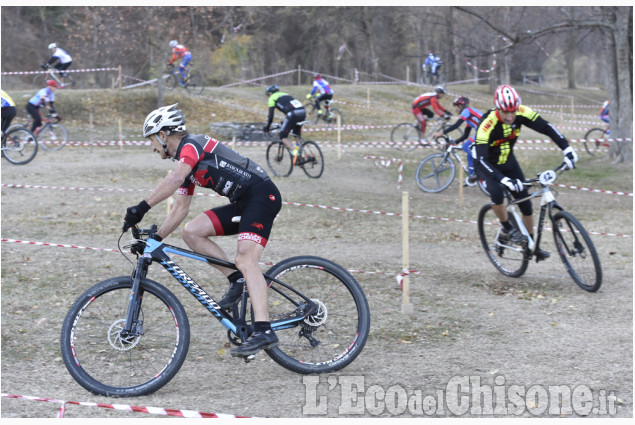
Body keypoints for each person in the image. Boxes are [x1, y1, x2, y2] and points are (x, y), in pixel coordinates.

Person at [122, 104, 282, 358]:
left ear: (163, 135)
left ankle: (264, 330)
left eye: (151, 139)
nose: (151, 147)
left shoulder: (192, 145)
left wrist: (142, 207)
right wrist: (156, 238)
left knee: (246, 259)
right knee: (192, 231)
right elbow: (179, 210)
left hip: (262, 195)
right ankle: (237, 280)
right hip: (242, 202)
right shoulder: (185, 163)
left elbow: (174, 180)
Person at [473, 85, 578, 261]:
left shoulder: (522, 112)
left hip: (508, 160)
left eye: (512, 112)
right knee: (497, 193)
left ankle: (531, 245)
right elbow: (482, 159)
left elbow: (547, 128)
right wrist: (503, 179)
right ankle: (506, 227)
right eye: (505, 112)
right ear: (497, 108)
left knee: (526, 205)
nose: (509, 116)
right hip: (486, 164)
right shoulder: (487, 123)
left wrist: (567, 149)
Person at [432, 96, 482, 184]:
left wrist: (441, 133)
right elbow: (465, 135)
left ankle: (481, 164)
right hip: (484, 132)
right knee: (469, 155)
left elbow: (456, 125)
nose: (455, 110)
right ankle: (472, 177)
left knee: (465, 146)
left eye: (456, 107)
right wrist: (455, 142)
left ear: (460, 106)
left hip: (484, 132)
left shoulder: (467, 111)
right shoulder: (469, 117)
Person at [263, 84, 307, 164]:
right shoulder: (285, 94)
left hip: (293, 114)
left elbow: (270, 116)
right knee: (296, 134)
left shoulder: (272, 98)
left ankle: (296, 154)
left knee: (283, 136)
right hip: (302, 112)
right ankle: (303, 155)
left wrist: (267, 127)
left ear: (270, 94)